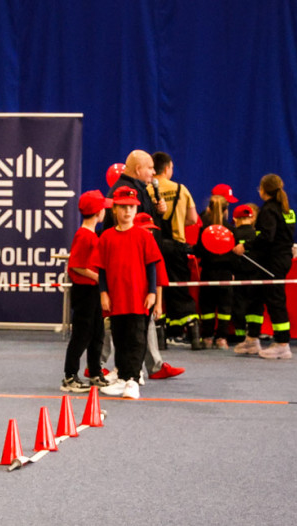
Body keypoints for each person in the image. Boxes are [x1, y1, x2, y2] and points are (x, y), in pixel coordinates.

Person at [95, 187, 162, 400]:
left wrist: (152, 292)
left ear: (136, 209)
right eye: (123, 207)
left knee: (136, 338)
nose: (127, 211)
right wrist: (103, 292)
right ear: (115, 209)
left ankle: (133, 379)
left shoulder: (144, 236)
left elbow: (152, 266)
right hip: (116, 298)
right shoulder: (106, 237)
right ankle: (123, 376)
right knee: (119, 337)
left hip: (138, 297)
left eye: (131, 207)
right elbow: (102, 269)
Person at [233, 174, 294, 359]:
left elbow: (267, 236)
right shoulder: (284, 209)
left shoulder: (269, 210)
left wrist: (246, 246)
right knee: (256, 297)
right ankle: (252, 339)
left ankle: (282, 344)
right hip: (273, 260)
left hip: (274, 262)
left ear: (263, 190)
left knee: (275, 300)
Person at [62, 190, 111, 392]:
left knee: (97, 332)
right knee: (82, 334)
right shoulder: (84, 236)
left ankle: (95, 371)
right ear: (98, 212)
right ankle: (70, 376)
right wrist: (97, 277)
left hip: (93, 291)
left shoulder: (91, 235)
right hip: (85, 291)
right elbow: (75, 265)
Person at [150, 152, 200, 346]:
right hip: (178, 245)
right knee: (179, 288)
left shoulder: (146, 190)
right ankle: (193, 333)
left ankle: (159, 335)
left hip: (154, 246)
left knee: (154, 287)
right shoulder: (181, 189)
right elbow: (193, 219)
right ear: (168, 167)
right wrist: (177, 222)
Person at [195, 193, 235, 349]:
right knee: (225, 307)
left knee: (207, 308)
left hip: (208, 273)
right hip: (225, 273)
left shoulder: (204, 228)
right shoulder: (230, 229)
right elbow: (234, 253)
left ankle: (207, 337)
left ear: (209, 209)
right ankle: (222, 338)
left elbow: (198, 251)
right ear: (226, 210)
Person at [229, 204, 259, 344]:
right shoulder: (256, 235)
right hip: (255, 275)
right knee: (254, 304)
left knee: (239, 303)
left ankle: (240, 333)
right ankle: (253, 333)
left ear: (235, 219)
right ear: (251, 218)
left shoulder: (233, 234)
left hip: (239, 274)